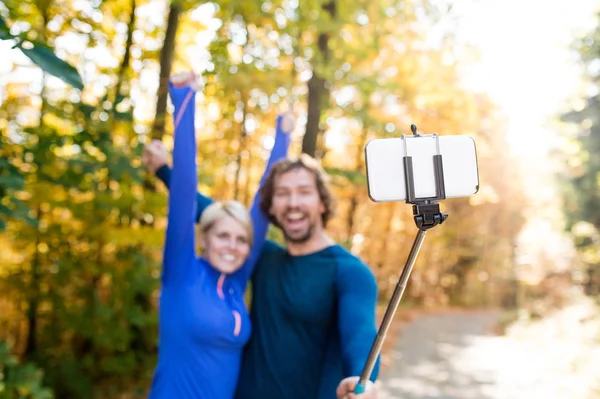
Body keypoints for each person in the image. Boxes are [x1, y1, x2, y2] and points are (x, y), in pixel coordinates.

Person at [144, 82, 380, 399]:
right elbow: (213, 215)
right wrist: (163, 171)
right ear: (272, 207)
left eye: (304, 192)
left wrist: (363, 381)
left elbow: (361, 335)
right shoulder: (261, 258)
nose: (293, 202)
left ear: (322, 202)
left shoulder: (348, 271)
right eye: (283, 193)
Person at [146, 71, 291, 399]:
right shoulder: (182, 272)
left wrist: (282, 138)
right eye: (224, 236)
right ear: (204, 239)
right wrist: (184, 99)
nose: (233, 246)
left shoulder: (236, 283)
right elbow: (184, 190)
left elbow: (262, 208)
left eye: (242, 240)